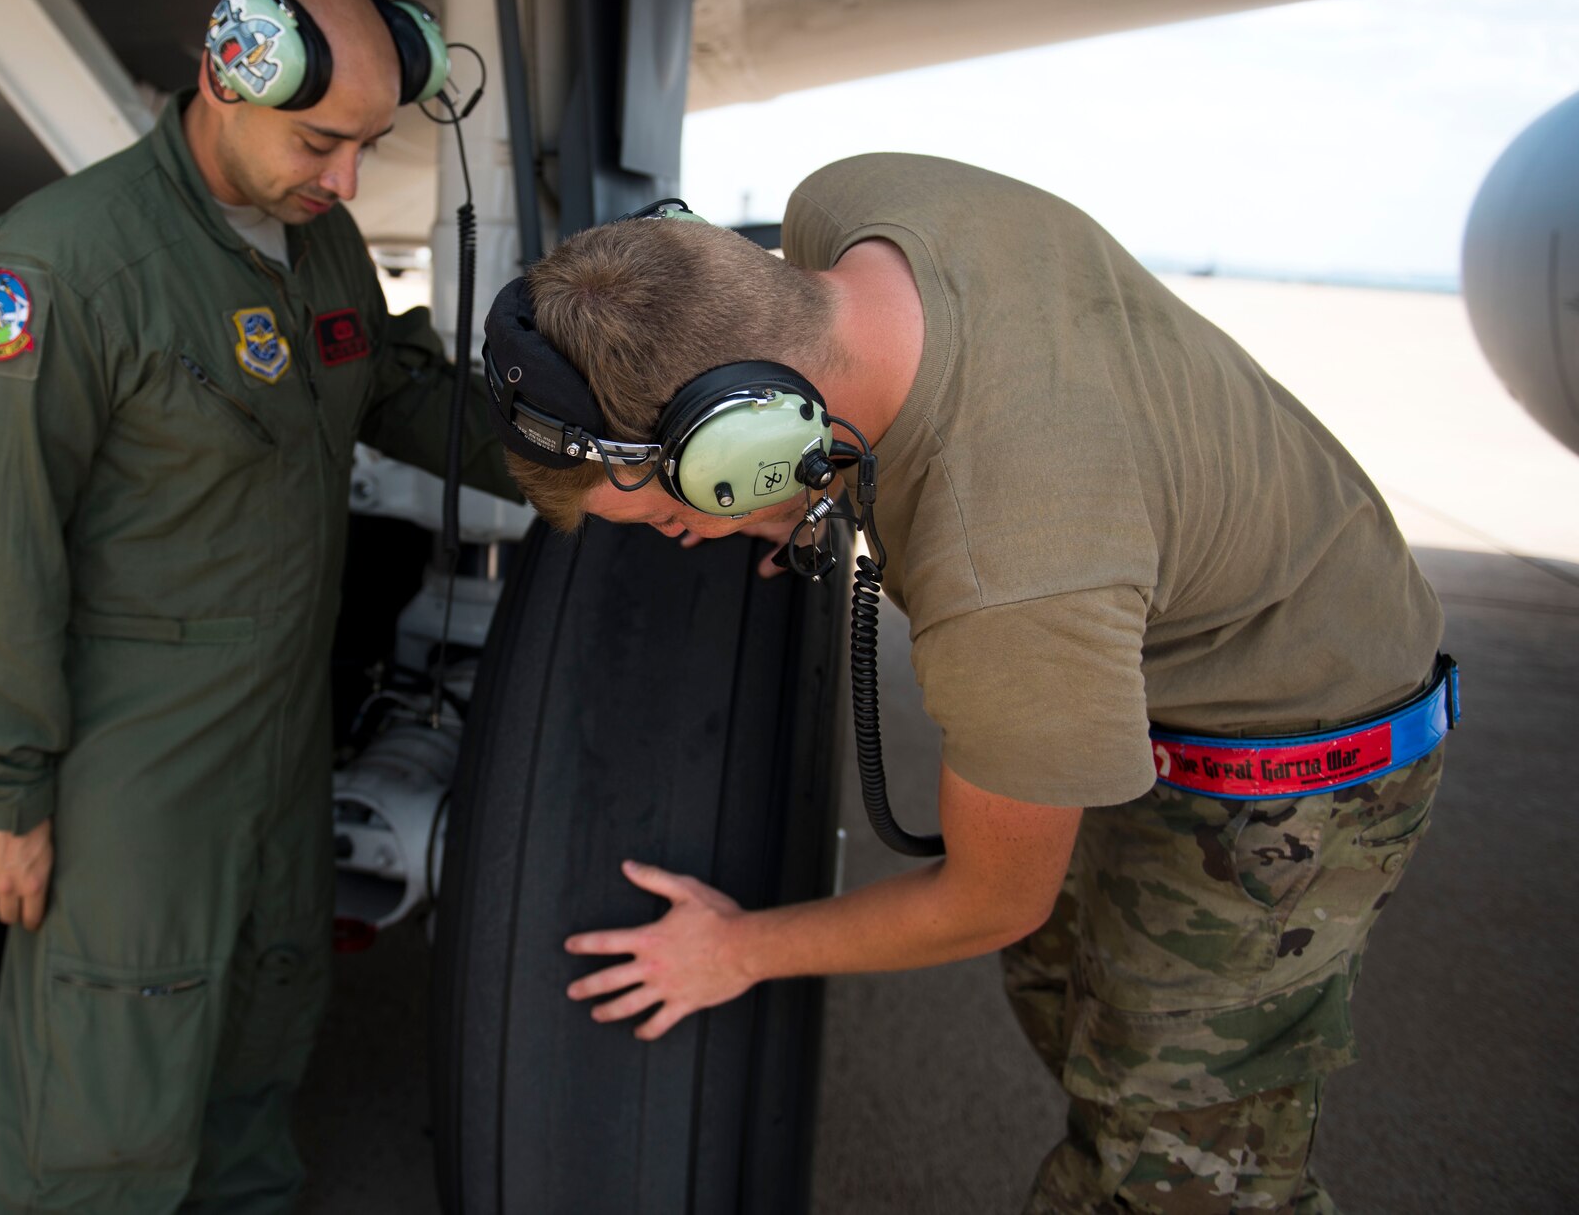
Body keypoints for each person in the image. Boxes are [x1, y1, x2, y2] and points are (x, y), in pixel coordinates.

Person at [482, 157, 1453, 1213]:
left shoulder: (1007, 578)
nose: (683, 538)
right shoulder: (857, 201)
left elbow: (988, 900)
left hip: (1291, 740)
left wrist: (736, 949)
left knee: (1179, 1157)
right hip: (1160, 604)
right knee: (1070, 997)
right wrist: (812, 494)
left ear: (750, 444)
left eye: (678, 511)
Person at [0, 0, 513, 1214]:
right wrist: (8, 790)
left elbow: (393, 383)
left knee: (255, 1058)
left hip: (278, 739)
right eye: (322, 143)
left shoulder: (316, 243)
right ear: (226, 77)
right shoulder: (67, 263)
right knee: (98, 1119)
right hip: (139, 760)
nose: (349, 181)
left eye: (367, 146)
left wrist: (584, 476)